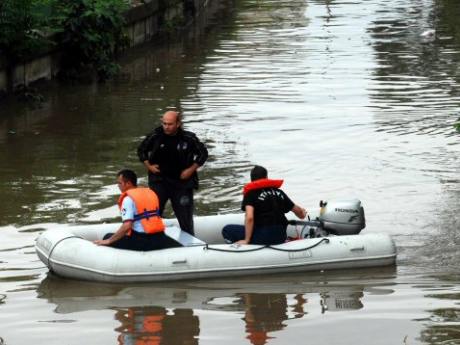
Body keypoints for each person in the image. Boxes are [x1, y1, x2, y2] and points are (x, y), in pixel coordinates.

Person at [137, 110, 208, 235]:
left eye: (170, 124)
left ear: (178, 123)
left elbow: (203, 154)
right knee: (153, 214)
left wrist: (191, 170)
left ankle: (190, 243)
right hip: (159, 181)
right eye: (164, 123)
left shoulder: (189, 138)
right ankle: (152, 241)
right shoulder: (155, 136)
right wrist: (149, 166)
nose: (166, 127)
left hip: (182, 183)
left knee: (185, 218)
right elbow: (141, 150)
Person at [94, 169, 180, 251]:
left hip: (142, 240)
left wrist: (109, 241)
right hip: (159, 236)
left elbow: (127, 226)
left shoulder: (128, 199)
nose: (118, 186)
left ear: (128, 183)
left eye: (120, 183)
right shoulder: (151, 193)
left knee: (107, 236)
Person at [222, 165, 307, 245]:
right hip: (281, 236)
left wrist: (246, 240)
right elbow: (298, 211)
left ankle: (239, 253)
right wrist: (303, 214)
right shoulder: (279, 192)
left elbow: (249, 217)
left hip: (264, 236)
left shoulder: (251, 194)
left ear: (252, 180)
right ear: (266, 178)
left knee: (227, 230)